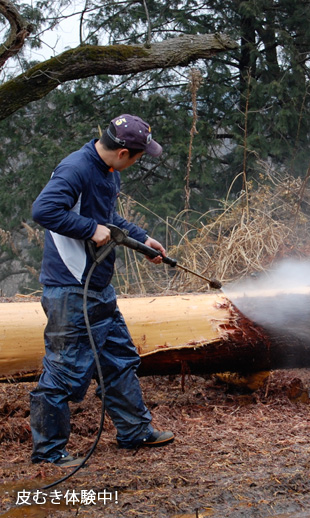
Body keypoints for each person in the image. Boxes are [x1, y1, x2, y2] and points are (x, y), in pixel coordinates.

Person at [30, 114, 175, 468]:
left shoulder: (108, 171)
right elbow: (44, 210)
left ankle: (134, 431)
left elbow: (108, 219)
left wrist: (142, 241)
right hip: (70, 289)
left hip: (98, 287)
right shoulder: (76, 169)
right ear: (124, 152)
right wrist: (87, 228)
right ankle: (49, 455)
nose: (141, 160)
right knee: (63, 372)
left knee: (118, 360)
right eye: (141, 154)